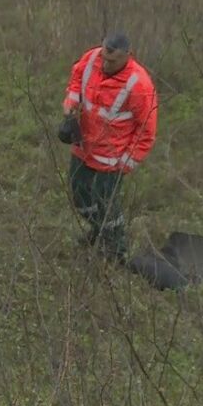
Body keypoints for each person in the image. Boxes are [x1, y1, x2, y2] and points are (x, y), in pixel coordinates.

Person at [61, 32, 158, 261]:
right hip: (83, 144)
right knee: (79, 192)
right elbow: (76, 78)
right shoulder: (92, 58)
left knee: (105, 202)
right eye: (104, 57)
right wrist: (71, 103)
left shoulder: (139, 84)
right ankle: (98, 231)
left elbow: (146, 130)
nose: (104, 63)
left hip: (111, 157)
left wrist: (126, 162)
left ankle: (117, 249)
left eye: (112, 61)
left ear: (127, 56)